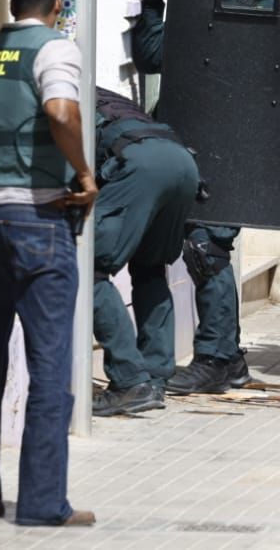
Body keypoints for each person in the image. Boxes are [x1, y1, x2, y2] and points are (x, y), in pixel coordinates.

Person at [0, 0, 97, 527]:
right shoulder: (55, 50)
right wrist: (83, 173)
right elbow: (60, 111)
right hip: (38, 217)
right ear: (55, 4)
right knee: (48, 364)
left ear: (12, 4)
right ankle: (41, 505)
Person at [129, 0, 256, 395]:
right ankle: (230, 357)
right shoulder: (203, 4)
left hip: (227, 143)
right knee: (201, 248)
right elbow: (152, 54)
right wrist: (153, 2)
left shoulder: (242, 6)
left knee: (207, 250)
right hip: (194, 139)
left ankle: (217, 358)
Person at [89, 86, 199, 415]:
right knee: (150, 268)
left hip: (140, 165)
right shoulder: (106, 94)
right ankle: (155, 376)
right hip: (182, 162)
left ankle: (129, 380)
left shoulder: (59, 92)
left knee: (89, 268)